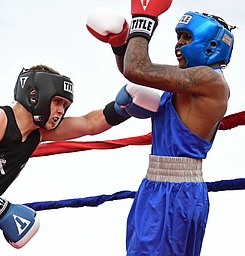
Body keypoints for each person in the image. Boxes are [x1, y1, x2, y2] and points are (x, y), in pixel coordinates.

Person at [0, 64, 160, 255]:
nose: (61, 110)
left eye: (65, 105)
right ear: (36, 94)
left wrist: (122, 108)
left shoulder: (38, 133)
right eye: (58, 101)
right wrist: (4, 211)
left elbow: (89, 124)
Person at [86, 1, 235, 255]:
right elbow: (133, 71)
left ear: (211, 45)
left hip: (178, 193)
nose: (179, 44)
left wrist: (144, 19)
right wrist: (120, 45)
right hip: (155, 187)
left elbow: (138, 69)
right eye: (178, 37)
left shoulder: (209, 81)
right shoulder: (188, 81)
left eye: (187, 37)